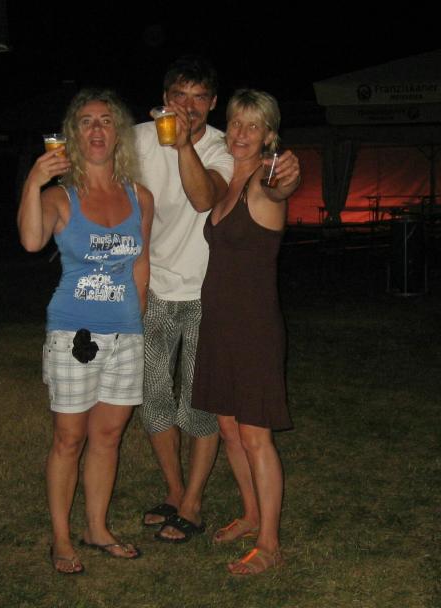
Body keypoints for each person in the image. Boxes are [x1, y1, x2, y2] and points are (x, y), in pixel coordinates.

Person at [18, 89, 153, 574]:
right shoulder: (60, 196)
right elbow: (31, 240)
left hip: (126, 334)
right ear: (74, 134)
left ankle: (96, 528)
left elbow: (141, 265)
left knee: (109, 435)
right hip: (73, 333)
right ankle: (61, 537)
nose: (97, 129)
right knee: (69, 438)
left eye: (106, 121)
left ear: (119, 133)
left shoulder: (139, 196)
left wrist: (136, 324)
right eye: (87, 121)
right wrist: (34, 180)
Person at [191, 89, 300, 575]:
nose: (240, 132)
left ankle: (270, 544)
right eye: (236, 122)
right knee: (230, 429)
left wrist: (288, 177)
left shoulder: (264, 180)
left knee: (256, 436)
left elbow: (281, 189)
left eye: (253, 126)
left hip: (253, 328)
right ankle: (252, 513)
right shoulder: (227, 180)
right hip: (219, 324)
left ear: (268, 135)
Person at [135, 55, 233, 541]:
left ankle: (193, 503)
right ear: (164, 98)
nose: (189, 107)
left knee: (198, 402)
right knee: (153, 397)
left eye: (199, 98)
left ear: (212, 104)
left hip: (205, 292)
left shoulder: (221, 147)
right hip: (151, 288)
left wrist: (182, 145)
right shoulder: (136, 140)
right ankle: (174, 491)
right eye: (180, 96)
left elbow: (203, 198)